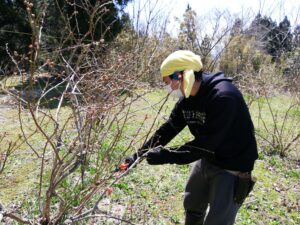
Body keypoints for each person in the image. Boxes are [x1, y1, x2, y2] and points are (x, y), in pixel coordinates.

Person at [125, 50, 258, 225]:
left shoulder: (224, 97)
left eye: (168, 82)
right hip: (207, 158)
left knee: (218, 221)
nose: (169, 88)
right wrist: (138, 155)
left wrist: (167, 155)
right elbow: (169, 128)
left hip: (233, 167)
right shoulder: (187, 99)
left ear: (181, 75)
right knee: (193, 205)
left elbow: (205, 144)